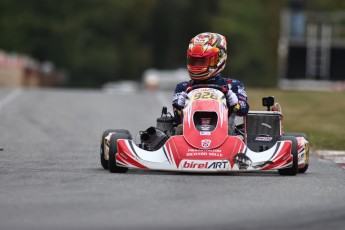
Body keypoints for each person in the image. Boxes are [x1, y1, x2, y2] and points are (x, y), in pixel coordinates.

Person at [172, 32, 249, 134]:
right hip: (190, 138)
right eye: (194, 61)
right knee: (175, 131)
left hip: (226, 137)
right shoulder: (183, 88)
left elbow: (243, 110)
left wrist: (236, 104)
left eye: (202, 61)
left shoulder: (233, 85)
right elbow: (177, 120)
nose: (197, 65)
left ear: (219, 59)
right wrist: (179, 108)